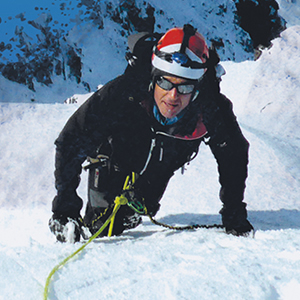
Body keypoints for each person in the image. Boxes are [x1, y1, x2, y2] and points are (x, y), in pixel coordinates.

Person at [49, 24, 254, 243]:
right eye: (165, 83)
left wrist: (233, 209)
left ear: (198, 88)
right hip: (116, 154)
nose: (173, 96)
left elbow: (233, 152)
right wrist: (65, 208)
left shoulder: (211, 107)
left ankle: (131, 213)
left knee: (140, 210)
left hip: (166, 159)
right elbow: (71, 140)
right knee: (102, 225)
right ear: (153, 78)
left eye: (185, 87)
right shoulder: (123, 93)